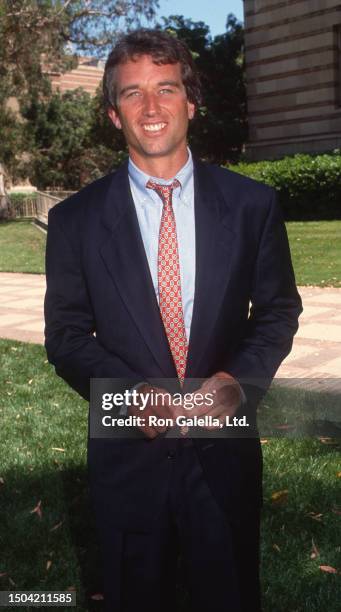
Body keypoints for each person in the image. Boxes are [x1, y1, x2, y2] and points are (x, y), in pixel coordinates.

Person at [44, 29, 302, 612]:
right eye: (133, 94)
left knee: (230, 591)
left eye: (166, 89)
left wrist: (240, 381)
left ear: (191, 101)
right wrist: (131, 396)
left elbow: (279, 309)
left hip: (224, 448)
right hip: (127, 455)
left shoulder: (251, 206)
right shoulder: (75, 221)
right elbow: (64, 337)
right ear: (114, 113)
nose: (152, 107)